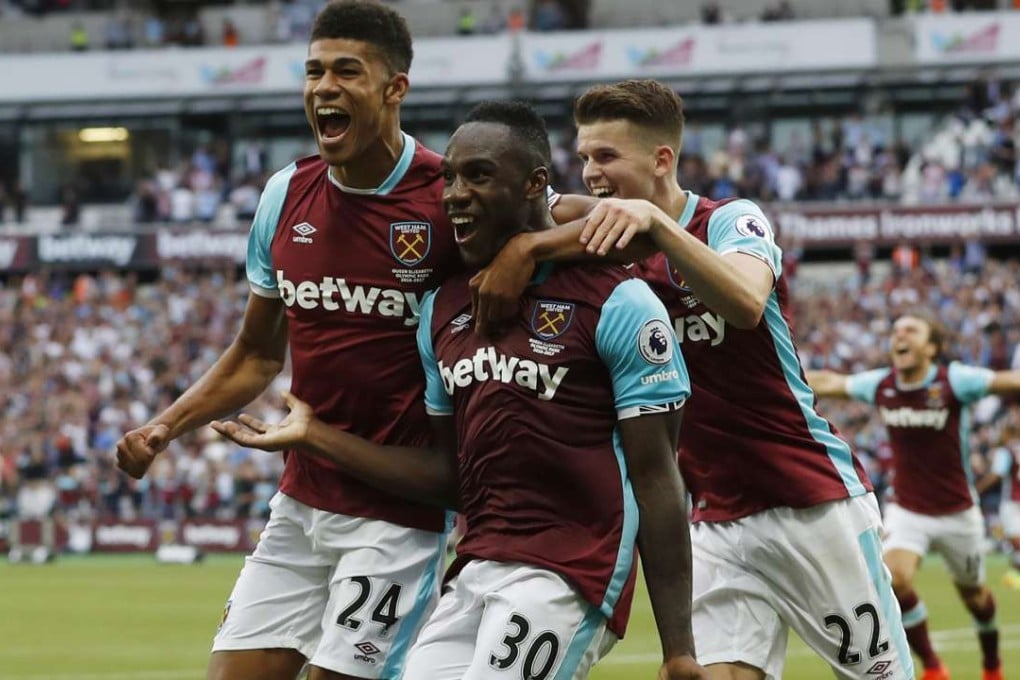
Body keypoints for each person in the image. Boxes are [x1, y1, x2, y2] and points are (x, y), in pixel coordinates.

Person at [211, 101, 706, 680]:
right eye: (448, 176)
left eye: (478, 175)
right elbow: (448, 478)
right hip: (475, 568)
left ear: (535, 185)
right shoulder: (444, 310)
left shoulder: (620, 302)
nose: (453, 193)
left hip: (571, 571)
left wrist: (679, 649)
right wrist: (316, 438)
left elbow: (657, 478)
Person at [471, 79, 914, 680]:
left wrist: (656, 227)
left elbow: (745, 302)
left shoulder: (730, 220)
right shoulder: (600, 233)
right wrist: (525, 245)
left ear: (661, 160)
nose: (590, 173)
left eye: (606, 157)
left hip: (809, 500)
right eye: (583, 158)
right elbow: (521, 217)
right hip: (711, 517)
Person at [115, 3, 461, 679]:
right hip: (300, 504)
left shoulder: (448, 197)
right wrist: (164, 428)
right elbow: (257, 354)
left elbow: (545, 222)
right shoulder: (286, 193)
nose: (323, 87)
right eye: (313, 71)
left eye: (345, 71)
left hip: (397, 519)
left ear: (395, 88)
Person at [809, 312, 1020, 680]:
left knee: (975, 598)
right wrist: (769, 378)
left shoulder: (954, 380)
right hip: (908, 510)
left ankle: (992, 665)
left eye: (911, 330)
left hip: (958, 511)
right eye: (895, 330)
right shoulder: (883, 384)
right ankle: (934, 667)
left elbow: (1006, 380)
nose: (899, 335)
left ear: (932, 347)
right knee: (897, 579)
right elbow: (832, 381)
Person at [976, 422, 1020, 589]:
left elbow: (996, 474)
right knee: (1015, 543)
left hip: (1011, 503)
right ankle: (1015, 575)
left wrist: (977, 488)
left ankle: (1015, 574)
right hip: (1013, 502)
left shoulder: (1005, 451)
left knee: (1016, 542)